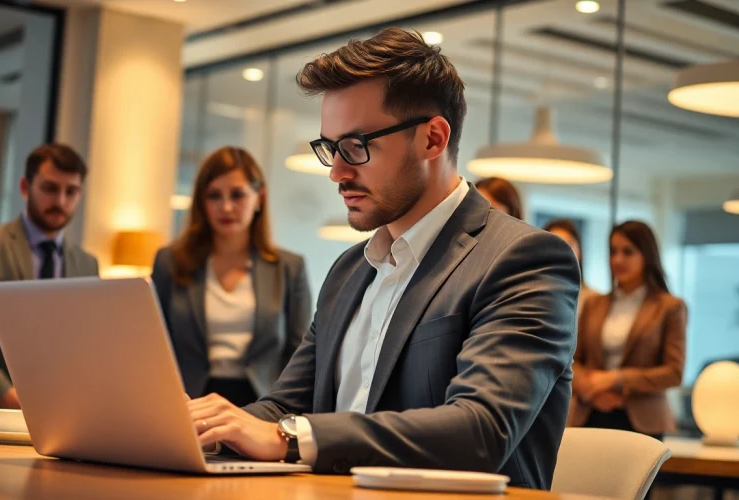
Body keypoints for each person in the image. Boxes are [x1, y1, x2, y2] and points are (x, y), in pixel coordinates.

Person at [185, 28, 579, 489]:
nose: (336, 172)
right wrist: (198, 429)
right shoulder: (350, 270)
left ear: (432, 139)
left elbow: (480, 430)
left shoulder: (523, 259)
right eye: (330, 148)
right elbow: (284, 408)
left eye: (355, 146)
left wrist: (288, 438)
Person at [0, 143, 99, 424]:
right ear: (25, 187)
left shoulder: (87, 263)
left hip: (58, 417)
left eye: (71, 191)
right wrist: (3, 392)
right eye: (50, 188)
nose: (60, 201)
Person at [151, 146, 311, 407]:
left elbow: (301, 357)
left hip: (263, 406)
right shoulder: (170, 262)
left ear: (259, 197)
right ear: (202, 202)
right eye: (214, 195)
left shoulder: (289, 268)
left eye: (237, 195)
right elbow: (153, 345)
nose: (226, 207)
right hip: (186, 403)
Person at [569, 221, 686, 440]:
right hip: (591, 414)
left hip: (643, 421)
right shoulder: (594, 304)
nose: (618, 260)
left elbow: (673, 372)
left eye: (627, 252)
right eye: (613, 252)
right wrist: (590, 391)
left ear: (647, 255)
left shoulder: (669, 307)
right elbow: (572, 361)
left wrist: (617, 379)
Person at [544, 218, 598, 316]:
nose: (561, 252)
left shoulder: (594, 300)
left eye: (568, 245)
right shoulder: (533, 296)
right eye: (553, 245)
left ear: (579, 251)